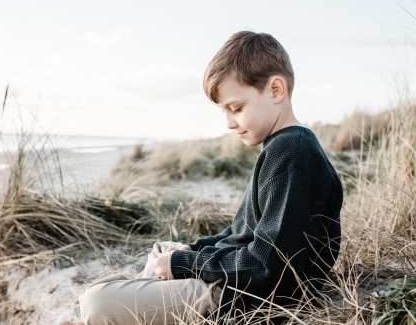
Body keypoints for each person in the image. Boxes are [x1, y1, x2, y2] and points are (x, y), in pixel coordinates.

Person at [58, 31, 343, 325]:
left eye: (236, 108)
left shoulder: (291, 154)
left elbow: (269, 265)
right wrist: (192, 251)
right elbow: (240, 235)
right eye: (223, 111)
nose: (229, 122)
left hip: (246, 299)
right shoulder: (281, 148)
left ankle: (106, 313)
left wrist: (187, 265)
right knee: (164, 250)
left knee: (95, 302)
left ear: (275, 90)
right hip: (234, 284)